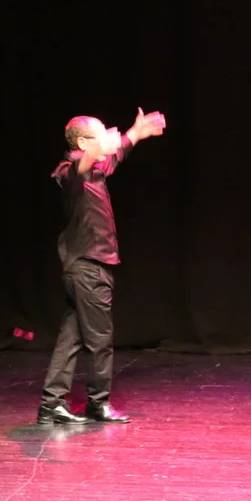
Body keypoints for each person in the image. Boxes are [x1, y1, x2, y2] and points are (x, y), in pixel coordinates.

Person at [37, 108, 167, 425]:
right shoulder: (71, 171)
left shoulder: (96, 169)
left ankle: (51, 403)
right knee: (99, 339)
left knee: (72, 337)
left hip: (85, 266)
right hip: (88, 265)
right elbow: (82, 164)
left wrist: (135, 133)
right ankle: (99, 403)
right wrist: (99, 148)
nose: (111, 136)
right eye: (101, 134)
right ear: (83, 142)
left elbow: (113, 156)